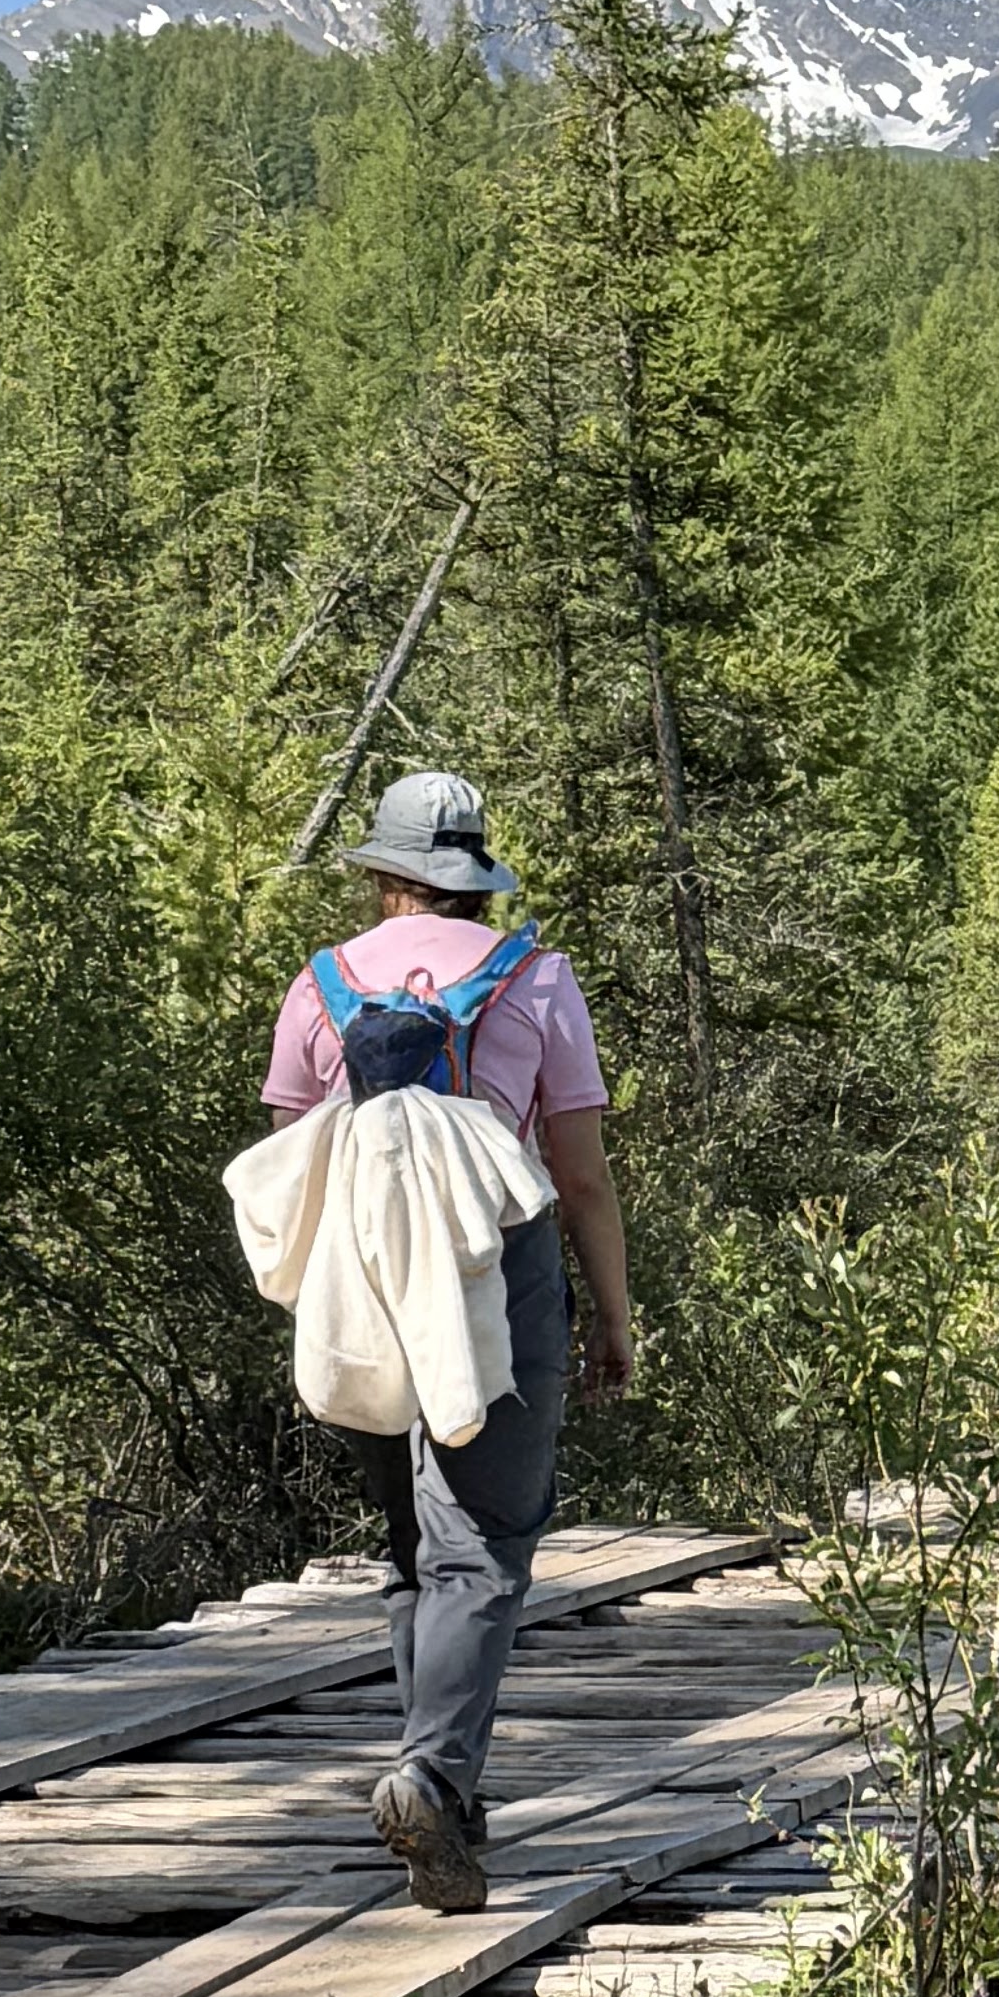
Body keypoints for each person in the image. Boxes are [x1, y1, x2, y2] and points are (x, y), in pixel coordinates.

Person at [259, 765, 631, 1913]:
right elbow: (579, 1176)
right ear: (475, 878)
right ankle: (432, 1775)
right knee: (483, 1537)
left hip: (360, 1267)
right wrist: (612, 1314)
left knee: (411, 1546)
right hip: (495, 1263)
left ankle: (449, 1802)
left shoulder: (317, 988)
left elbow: (290, 1154)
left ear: (384, 876)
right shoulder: (540, 981)